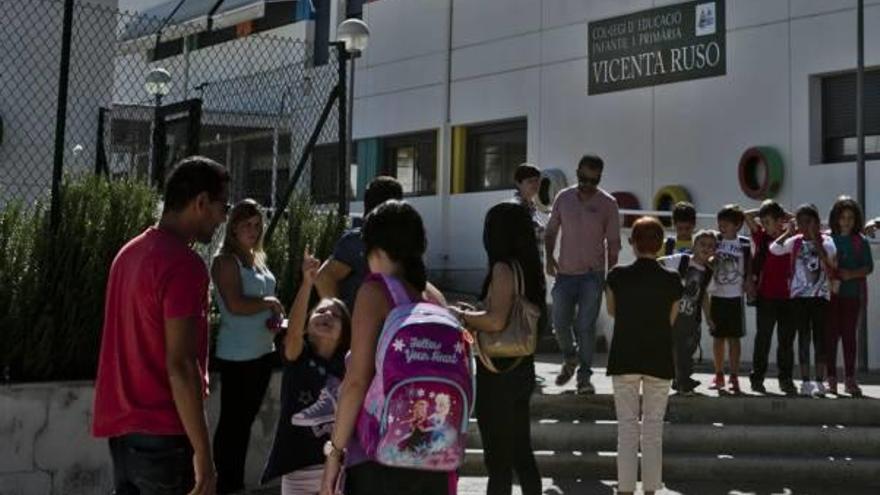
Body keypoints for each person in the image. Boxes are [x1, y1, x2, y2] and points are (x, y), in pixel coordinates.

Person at [92, 156, 230, 495]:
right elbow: (181, 365)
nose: (222, 219)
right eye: (221, 208)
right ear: (200, 202)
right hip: (164, 435)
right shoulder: (184, 265)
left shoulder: (127, 255)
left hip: (122, 433)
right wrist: (204, 453)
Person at [319, 200, 451, 495]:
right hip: (432, 454)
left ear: (374, 248)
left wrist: (335, 453)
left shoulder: (376, 291)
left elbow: (356, 381)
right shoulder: (434, 298)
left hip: (379, 455)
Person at [450, 203, 544, 495]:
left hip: (498, 374)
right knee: (521, 452)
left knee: (499, 461)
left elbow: (495, 320)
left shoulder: (503, 268)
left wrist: (461, 316)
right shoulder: (530, 268)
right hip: (522, 367)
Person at [262, 248, 351, 494]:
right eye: (320, 311)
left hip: (339, 465)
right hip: (297, 466)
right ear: (307, 325)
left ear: (345, 332)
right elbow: (292, 333)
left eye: (336, 315)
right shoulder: (298, 358)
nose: (327, 315)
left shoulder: (348, 363)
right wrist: (307, 283)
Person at [210, 199, 284, 493]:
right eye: (247, 225)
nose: (253, 230)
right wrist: (268, 303)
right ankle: (224, 484)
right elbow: (236, 304)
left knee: (245, 422)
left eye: (257, 225)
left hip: (263, 351)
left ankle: (233, 483)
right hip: (238, 355)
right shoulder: (226, 261)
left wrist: (276, 316)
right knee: (233, 424)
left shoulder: (257, 258)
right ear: (234, 228)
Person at [605, 216, 682, 495]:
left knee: (626, 429)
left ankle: (625, 489)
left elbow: (612, 311)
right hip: (658, 356)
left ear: (632, 243)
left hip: (624, 355)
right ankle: (650, 489)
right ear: (661, 244)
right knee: (653, 430)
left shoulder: (616, 275)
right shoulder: (672, 279)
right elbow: (670, 318)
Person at [544, 154, 621, 394]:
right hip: (565, 273)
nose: (588, 184)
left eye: (593, 180)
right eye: (583, 178)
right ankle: (570, 356)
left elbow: (614, 242)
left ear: (599, 178)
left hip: (592, 275)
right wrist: (549, 257)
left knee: (586, 326)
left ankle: (584, 377)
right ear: (577, 172)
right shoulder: (563, 198)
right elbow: (551, 230)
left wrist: (609, 276)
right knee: (558, 321)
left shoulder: (608, 203)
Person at [770, 204, 837, 397]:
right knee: (804, 338)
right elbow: (774, 249)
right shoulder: (795, 241)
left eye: (809, 221)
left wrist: (816, 240)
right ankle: (806, 381)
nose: (804, 226)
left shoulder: (827, 241)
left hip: (819, 297)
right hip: (799, 297)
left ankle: (819, 381)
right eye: (801, 222)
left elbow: (830, 261)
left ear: (816, 222)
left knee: (820, 340)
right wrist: (788, 232)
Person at [315, 176, 404, 310]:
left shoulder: (400, 242)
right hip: (361, 322)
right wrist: (340, 317)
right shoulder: (357, 241)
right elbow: (324, 277)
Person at [744, 200, 796, 395]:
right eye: (763, 221)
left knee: (786, 341)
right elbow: (747, 215)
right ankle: (757, 377)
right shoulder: (761, 237)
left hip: (789, 297)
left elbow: (800, 220)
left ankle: (786, 379)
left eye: (769, 221)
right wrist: (766, 209)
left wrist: (784, 215)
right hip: (766, 296)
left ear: (780, 220)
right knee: (763, 338)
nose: (765, 225)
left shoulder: (792, 237)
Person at [659, 229, 716, 395]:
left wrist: (709, 318)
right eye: (702, 244)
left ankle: (682, 379)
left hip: (691, 317)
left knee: (687, 349)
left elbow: (704, 295)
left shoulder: (708, 272)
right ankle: (680, 379)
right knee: (673, 349)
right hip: (673, 314)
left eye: (711, 246)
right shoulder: (681, 260)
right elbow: (659, 263)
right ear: (694, 245)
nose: (706, 248)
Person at [827, 196, 873, 396]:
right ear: (836, 218)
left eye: (850, 218)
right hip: (831, 296)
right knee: (830, 337)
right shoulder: (827, 239)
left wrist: (851, 274)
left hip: (852, 296)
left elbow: (869, 267)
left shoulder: (860, 242)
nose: (846, 221)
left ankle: (850, 378)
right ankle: (830, 378)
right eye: (842, 217)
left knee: (849, 337)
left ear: (856, 220)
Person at [706, 204, 753, 394]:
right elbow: (706, 259)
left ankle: (734, 375)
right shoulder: (715, 242)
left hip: (735, 296)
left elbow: (750, 266)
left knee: (734, 337)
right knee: (718, 337)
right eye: (720, 224)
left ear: (737, 225)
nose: (722, 227)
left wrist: (750, 282)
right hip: (717, 295)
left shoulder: (744, 244)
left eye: (726, 224)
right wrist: (711, 261)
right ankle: (718, 374)